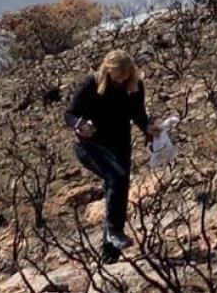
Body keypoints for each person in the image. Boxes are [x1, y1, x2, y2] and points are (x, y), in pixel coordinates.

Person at [63, 49, 157, 255]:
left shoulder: (135, 86)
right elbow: (69, 114)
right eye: (116, 78)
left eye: (124, 78)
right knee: (116, 176)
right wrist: (81, 125)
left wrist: (149, 128)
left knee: (119, 187)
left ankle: (110, 252)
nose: (120, 82)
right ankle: (114, 232)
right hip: (90, 144)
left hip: (120, 144)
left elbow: (138, 114)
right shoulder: (91, 84)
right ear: (107, 71)